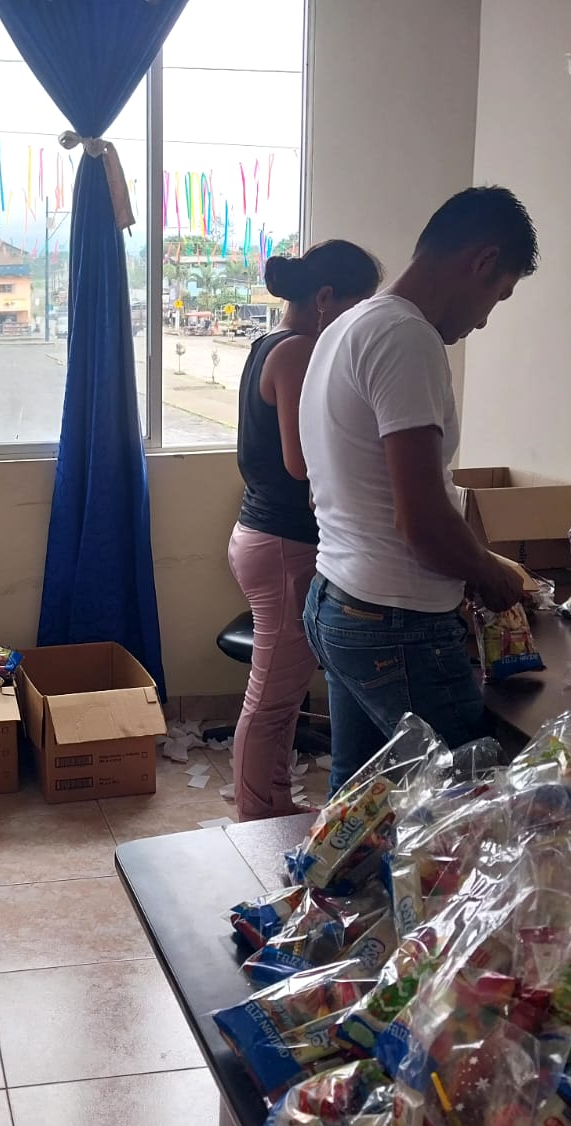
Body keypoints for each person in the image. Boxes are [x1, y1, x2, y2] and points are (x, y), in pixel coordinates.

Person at [299, 186, 538, 793]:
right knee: (476, 804)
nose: (484, 320)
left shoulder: (346, 325)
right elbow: (422, 522)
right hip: (396, 623)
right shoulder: (407, 338)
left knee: (363, 804)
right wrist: (489, 575)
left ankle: (340, 866)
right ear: (483, 261)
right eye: (498, 296)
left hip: (339, 598)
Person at [228, 240, 382, 821]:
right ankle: (255, 817)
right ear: (325, 298)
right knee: (270, 699)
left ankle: (274, 804)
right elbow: (300, 463)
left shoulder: (269, 342)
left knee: (284, 693)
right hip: (283, 543)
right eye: (357, 305)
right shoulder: (297, 352)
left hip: (267, 536)